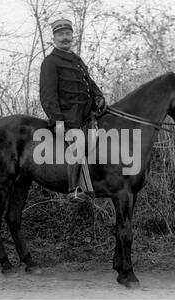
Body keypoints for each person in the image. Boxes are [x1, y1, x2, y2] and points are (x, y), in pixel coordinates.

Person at [39, 18, 106, 201]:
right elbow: (48, 96)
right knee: (78, 143)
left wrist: (99, 96)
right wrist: (58, 122)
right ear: (54, 38)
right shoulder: (50, 62)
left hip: (87, 114)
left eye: (68, 34)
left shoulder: (77, 60)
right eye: (61, 34)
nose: (65, 38)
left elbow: (89, 84)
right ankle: (74, 190)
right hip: (68, 119)